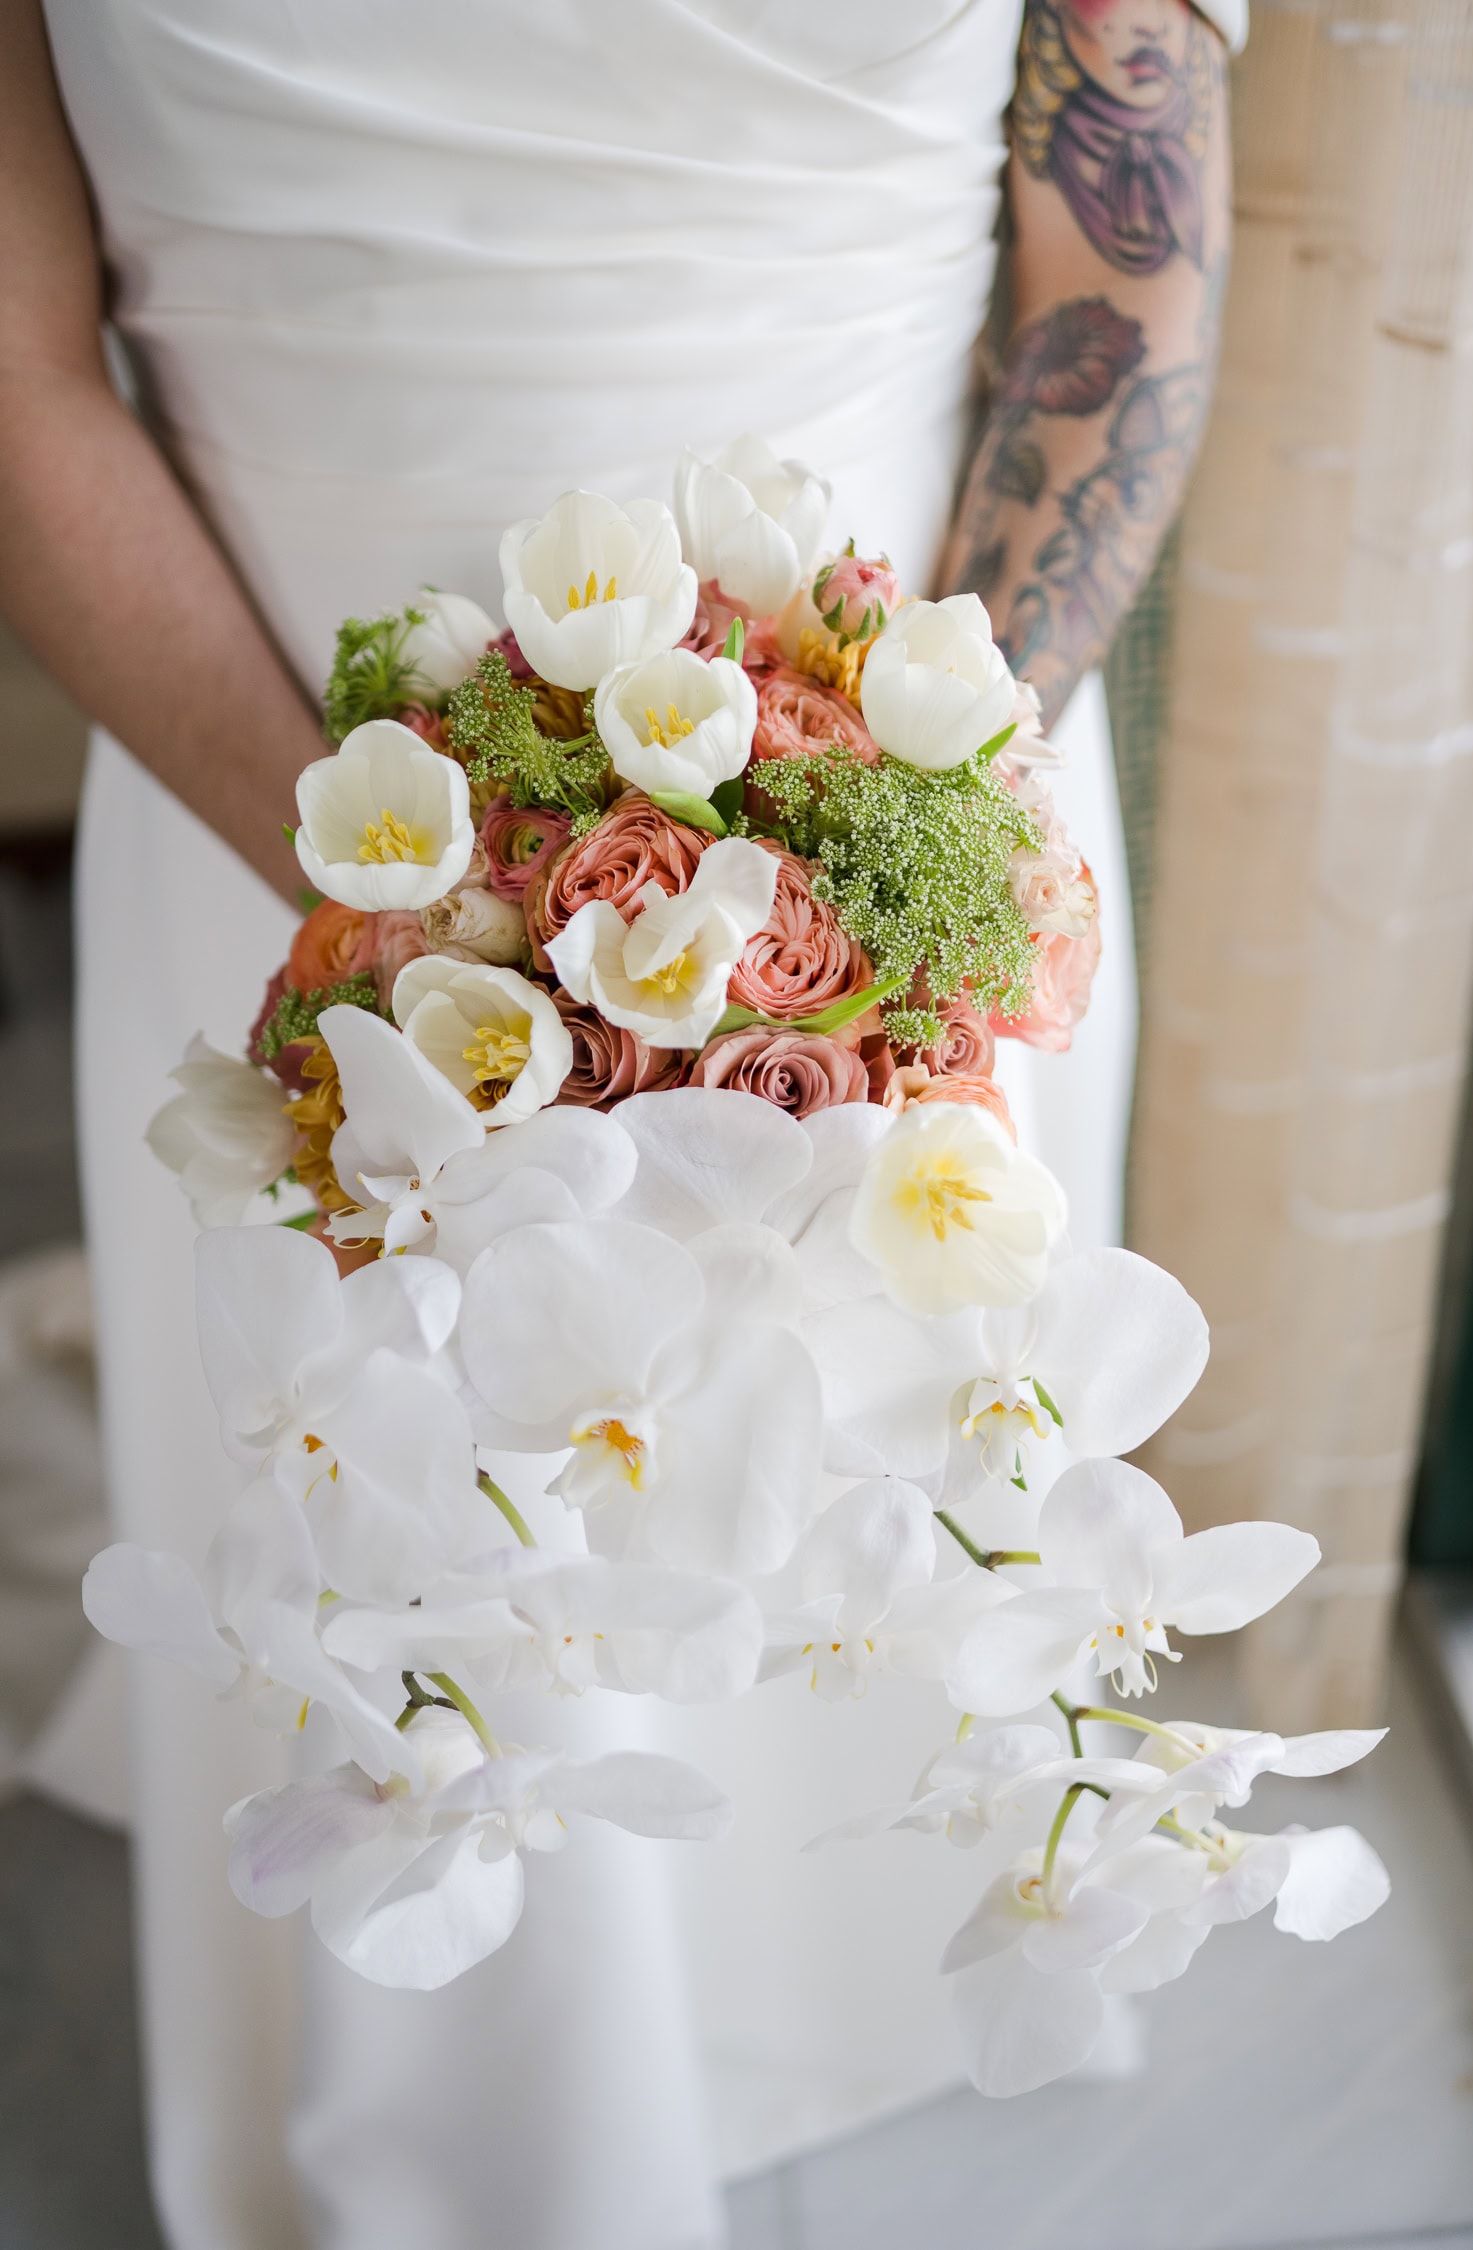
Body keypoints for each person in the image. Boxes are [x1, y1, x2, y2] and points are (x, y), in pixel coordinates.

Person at [0, 3, 1238, 2244]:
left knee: (858, 1449)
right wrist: (379, 902)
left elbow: (1119, 276)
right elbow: (13, 369)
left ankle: (870, 1948)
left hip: (910, 801)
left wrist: (893, 839)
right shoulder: (326, 872)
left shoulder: (906, 839)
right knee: (419, 1560)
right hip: (277, 798)